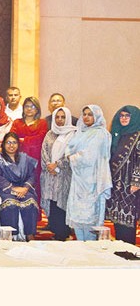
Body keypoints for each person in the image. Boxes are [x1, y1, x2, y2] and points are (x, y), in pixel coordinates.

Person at [65, 105, 113, 241]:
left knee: (90, 215)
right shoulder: (80, 132)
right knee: (77, 214)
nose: (86, 117)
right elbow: (69, 147)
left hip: (93, 179)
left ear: (96, 116)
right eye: (84, 114)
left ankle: (90, 245)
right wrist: (69, 155)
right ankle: (81, 243)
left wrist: (72, 157)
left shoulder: (101, 134)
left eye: (90, 114)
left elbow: (89, 156)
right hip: (78, 179)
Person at [0, 132, 40, 240]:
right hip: (5, 189)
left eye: (14, 142)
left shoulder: (24, 158)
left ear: (18, 144)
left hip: (24, 189)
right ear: (3, 144)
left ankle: (30, 234)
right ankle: (10, 235)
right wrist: (13, 188)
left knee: (30, 203)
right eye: (8, 142)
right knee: (11, 204)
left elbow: (32, 175)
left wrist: (25, 188)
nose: (11, 145)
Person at [40, 107, 77, 241]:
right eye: (57, 117)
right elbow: (44, 151)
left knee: (62, 204)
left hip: (64, 175)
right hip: (49, 175)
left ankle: (63, 233)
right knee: (52, 204)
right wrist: (49, 165)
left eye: (63, 117)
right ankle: (55, 231)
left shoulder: (73, 134)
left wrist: (57, 164)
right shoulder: (50, 133)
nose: (60, 120)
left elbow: (72, 154)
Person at [107, 106, 140, 244]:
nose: (124, 118)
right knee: (117, 218)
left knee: (128, 219)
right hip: (116, 183)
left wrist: (136, 181)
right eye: (121, 115)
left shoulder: (138, 135)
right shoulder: (117, 133)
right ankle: (119, 247)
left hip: (130, 185)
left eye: (127, 116)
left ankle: (128, 249)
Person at [9, 96, 47, 200]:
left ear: (37, 109)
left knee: (34, 184)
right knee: (17, 182)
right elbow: (12, 138)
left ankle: (34, 208)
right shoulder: (17, 122)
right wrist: (29, 140)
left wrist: (23, 140)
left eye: (32, 106)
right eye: (27, 106)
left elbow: (40, 139)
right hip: (18, 158)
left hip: (35, 158)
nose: (29, 109)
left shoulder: (42, 123)